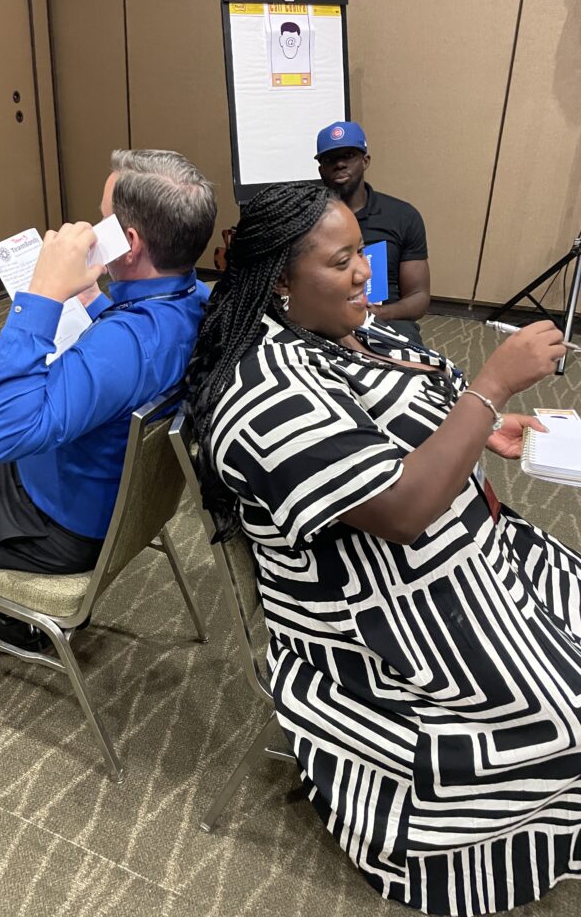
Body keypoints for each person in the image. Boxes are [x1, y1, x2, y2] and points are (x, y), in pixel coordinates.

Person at [186, 180, 581, 915]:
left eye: (360, 253)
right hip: (382, 615)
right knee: (562, 708)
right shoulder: (262, 394)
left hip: (473, 549)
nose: (366, 272)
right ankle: (478, 855)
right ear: (279, 280)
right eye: (341, 263)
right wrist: (492, 387)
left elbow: (429, 411)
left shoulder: (350, 329)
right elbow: (398, 512)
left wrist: (481, 432)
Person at [0, 149, 216, 653]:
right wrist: (94, 298)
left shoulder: (123, 346)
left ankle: (22, 622)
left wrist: (44, 295)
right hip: (117, 492)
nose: (95, 229)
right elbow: (136, 348)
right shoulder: (193, 300)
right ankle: (4, 562)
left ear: (130, 242)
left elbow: (1, 430)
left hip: (65, 524)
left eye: (103, 218)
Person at [315, 120, 430, 342]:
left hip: (385, 319)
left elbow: (419, 297)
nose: (339, 164)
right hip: (322, 317)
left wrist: (378, 313)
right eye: (330, 159)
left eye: (348, 155)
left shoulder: (402, 216)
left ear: (365, 161)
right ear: (321, 170)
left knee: (411, 369)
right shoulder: (306, 217)